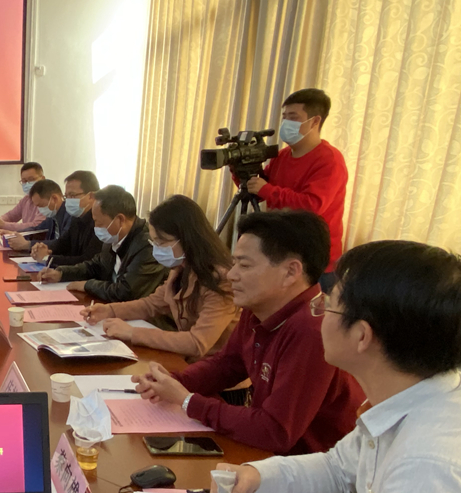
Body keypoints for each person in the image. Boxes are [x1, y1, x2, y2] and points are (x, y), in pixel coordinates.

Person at [210, 240, 461, 493]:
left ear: (362, 336)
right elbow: (339, 470)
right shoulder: (410, 397)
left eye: (327, 305)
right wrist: (257, 475)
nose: (317, 314)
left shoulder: (427, 463)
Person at [132, 210, 362, 455]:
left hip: (312, 466)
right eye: (234, 264)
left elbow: (275, 431)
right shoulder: (259, 306)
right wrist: (173, 382)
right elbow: (228, 364)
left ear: (291, 272)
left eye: (244, 265)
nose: (232, 275)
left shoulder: (313, 330)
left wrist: (188, 401)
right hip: (270, 454)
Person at [82, 195, 239, 360]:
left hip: (217, 368)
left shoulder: (221, 280)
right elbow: (151, 305)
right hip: (187, 361)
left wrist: (133, 333)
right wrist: (109, 310)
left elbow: (197, 342)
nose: (157, 249)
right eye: (154, 242)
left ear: (187, 238)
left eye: (161, 243)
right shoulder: (181, 269)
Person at [243, 88, 348, 282]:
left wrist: (266, 189)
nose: (286, 123)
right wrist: (242, 172)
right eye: (284, 117)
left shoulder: (329, 160)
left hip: (314, 262)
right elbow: (262, 192)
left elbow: (311, 206)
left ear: (315, 122)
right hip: (281, 250)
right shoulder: (282, 155)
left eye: (293, 117)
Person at [39, 185, 165, 302]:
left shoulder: (148, 246)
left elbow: (126, 291)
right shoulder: (112, 238)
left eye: (99, 223)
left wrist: (87, 285)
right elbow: (95, 266)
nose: (96, 227)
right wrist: (61, 273)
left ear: (120, 219)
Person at [31, 170, 103, 267]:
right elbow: (63, 244)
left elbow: (87, 260)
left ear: (91, 196)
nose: (68, 200)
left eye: (72, 195)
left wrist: (48, 258)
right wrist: (42, 248)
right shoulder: (77, 218)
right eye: (66, 196)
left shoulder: (100, 222)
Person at [5, 179, 70, 251]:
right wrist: (15, 234)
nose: (40, 210)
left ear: (54, 199)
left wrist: (28, 244)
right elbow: (37, 229)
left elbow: (63, 244)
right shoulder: (52, 216)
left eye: (41, 205)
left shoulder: (70, 216)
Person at [0, 162, 47, 232]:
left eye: (31, 179)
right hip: (26, 237)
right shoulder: (26, 199)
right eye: (24, 181)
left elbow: (36, 226)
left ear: (42, 179)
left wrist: (3, 225)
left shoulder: (47, 200)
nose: (27, 184)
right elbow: (11, 216)